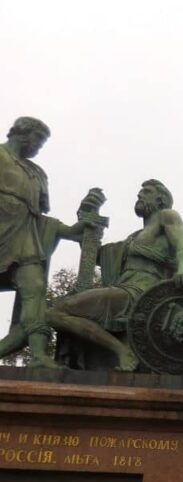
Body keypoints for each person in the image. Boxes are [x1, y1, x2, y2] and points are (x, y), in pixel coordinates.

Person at [45, 179, 183, 371]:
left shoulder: (167, 217)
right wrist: (87, 219)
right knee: (54, 314)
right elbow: (97, 255)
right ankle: (121, 349)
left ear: (161, 200)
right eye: (140, 192)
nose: (140, 195)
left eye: (147, 192)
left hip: (142, 293)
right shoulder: (133, 238)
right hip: (123, 289)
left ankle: (123, 352)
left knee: (57, 312)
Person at [0, 117, 97, 366]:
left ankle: (40, 356)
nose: (38, 148)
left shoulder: (37, 173)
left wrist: (72, 229)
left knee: (35, 289)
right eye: (38, 141)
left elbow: (41, 220)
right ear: (22, 134)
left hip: (24, 239)